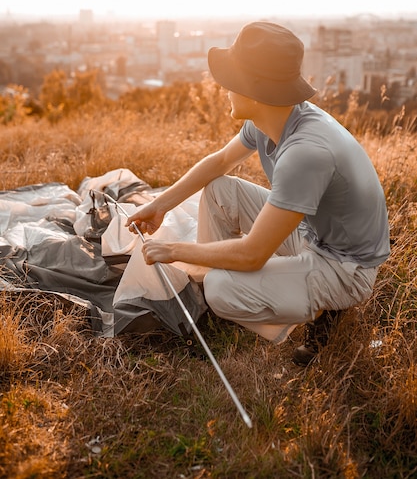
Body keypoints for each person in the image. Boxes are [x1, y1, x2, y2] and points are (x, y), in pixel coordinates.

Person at [126, 21, 390, 365]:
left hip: (344, 268)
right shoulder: (275, 116)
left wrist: (174, 250)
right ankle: (229, 294)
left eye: (231, 82)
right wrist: (160, 205)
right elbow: (220, 161)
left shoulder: (305, 154)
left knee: (221, 289)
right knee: (221, 190)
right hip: (314, 233)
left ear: (254, 90)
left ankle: (322, 310)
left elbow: (252, 255)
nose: (224, 90)